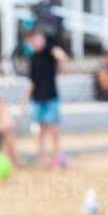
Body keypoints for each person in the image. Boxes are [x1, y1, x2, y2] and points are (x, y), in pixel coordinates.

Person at [22, 29, 67, 168]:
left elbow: (62, 57)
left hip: (50, 96)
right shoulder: (33, 58)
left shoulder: (49, 51)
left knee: (54, 129)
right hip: (37, 98)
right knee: (40, 129)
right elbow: (32, 81)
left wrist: (51, 47)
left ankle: (56, 156)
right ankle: (41, 157)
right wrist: (24, 101)